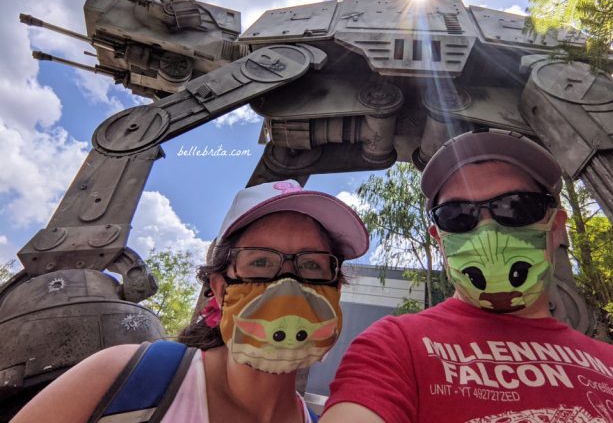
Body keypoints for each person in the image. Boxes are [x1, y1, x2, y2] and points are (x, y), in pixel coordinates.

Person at [321, 129, 613, 423]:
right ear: (441, 240)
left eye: (516, 207)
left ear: (555, 227)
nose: (487, 229)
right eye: (457, 215)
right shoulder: (395, 347)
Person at [12, 179, 368, 423]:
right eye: (260, 262)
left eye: (311, 265)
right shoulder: (122, 378)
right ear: (219, 286)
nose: (287, 284)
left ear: (335, 288)